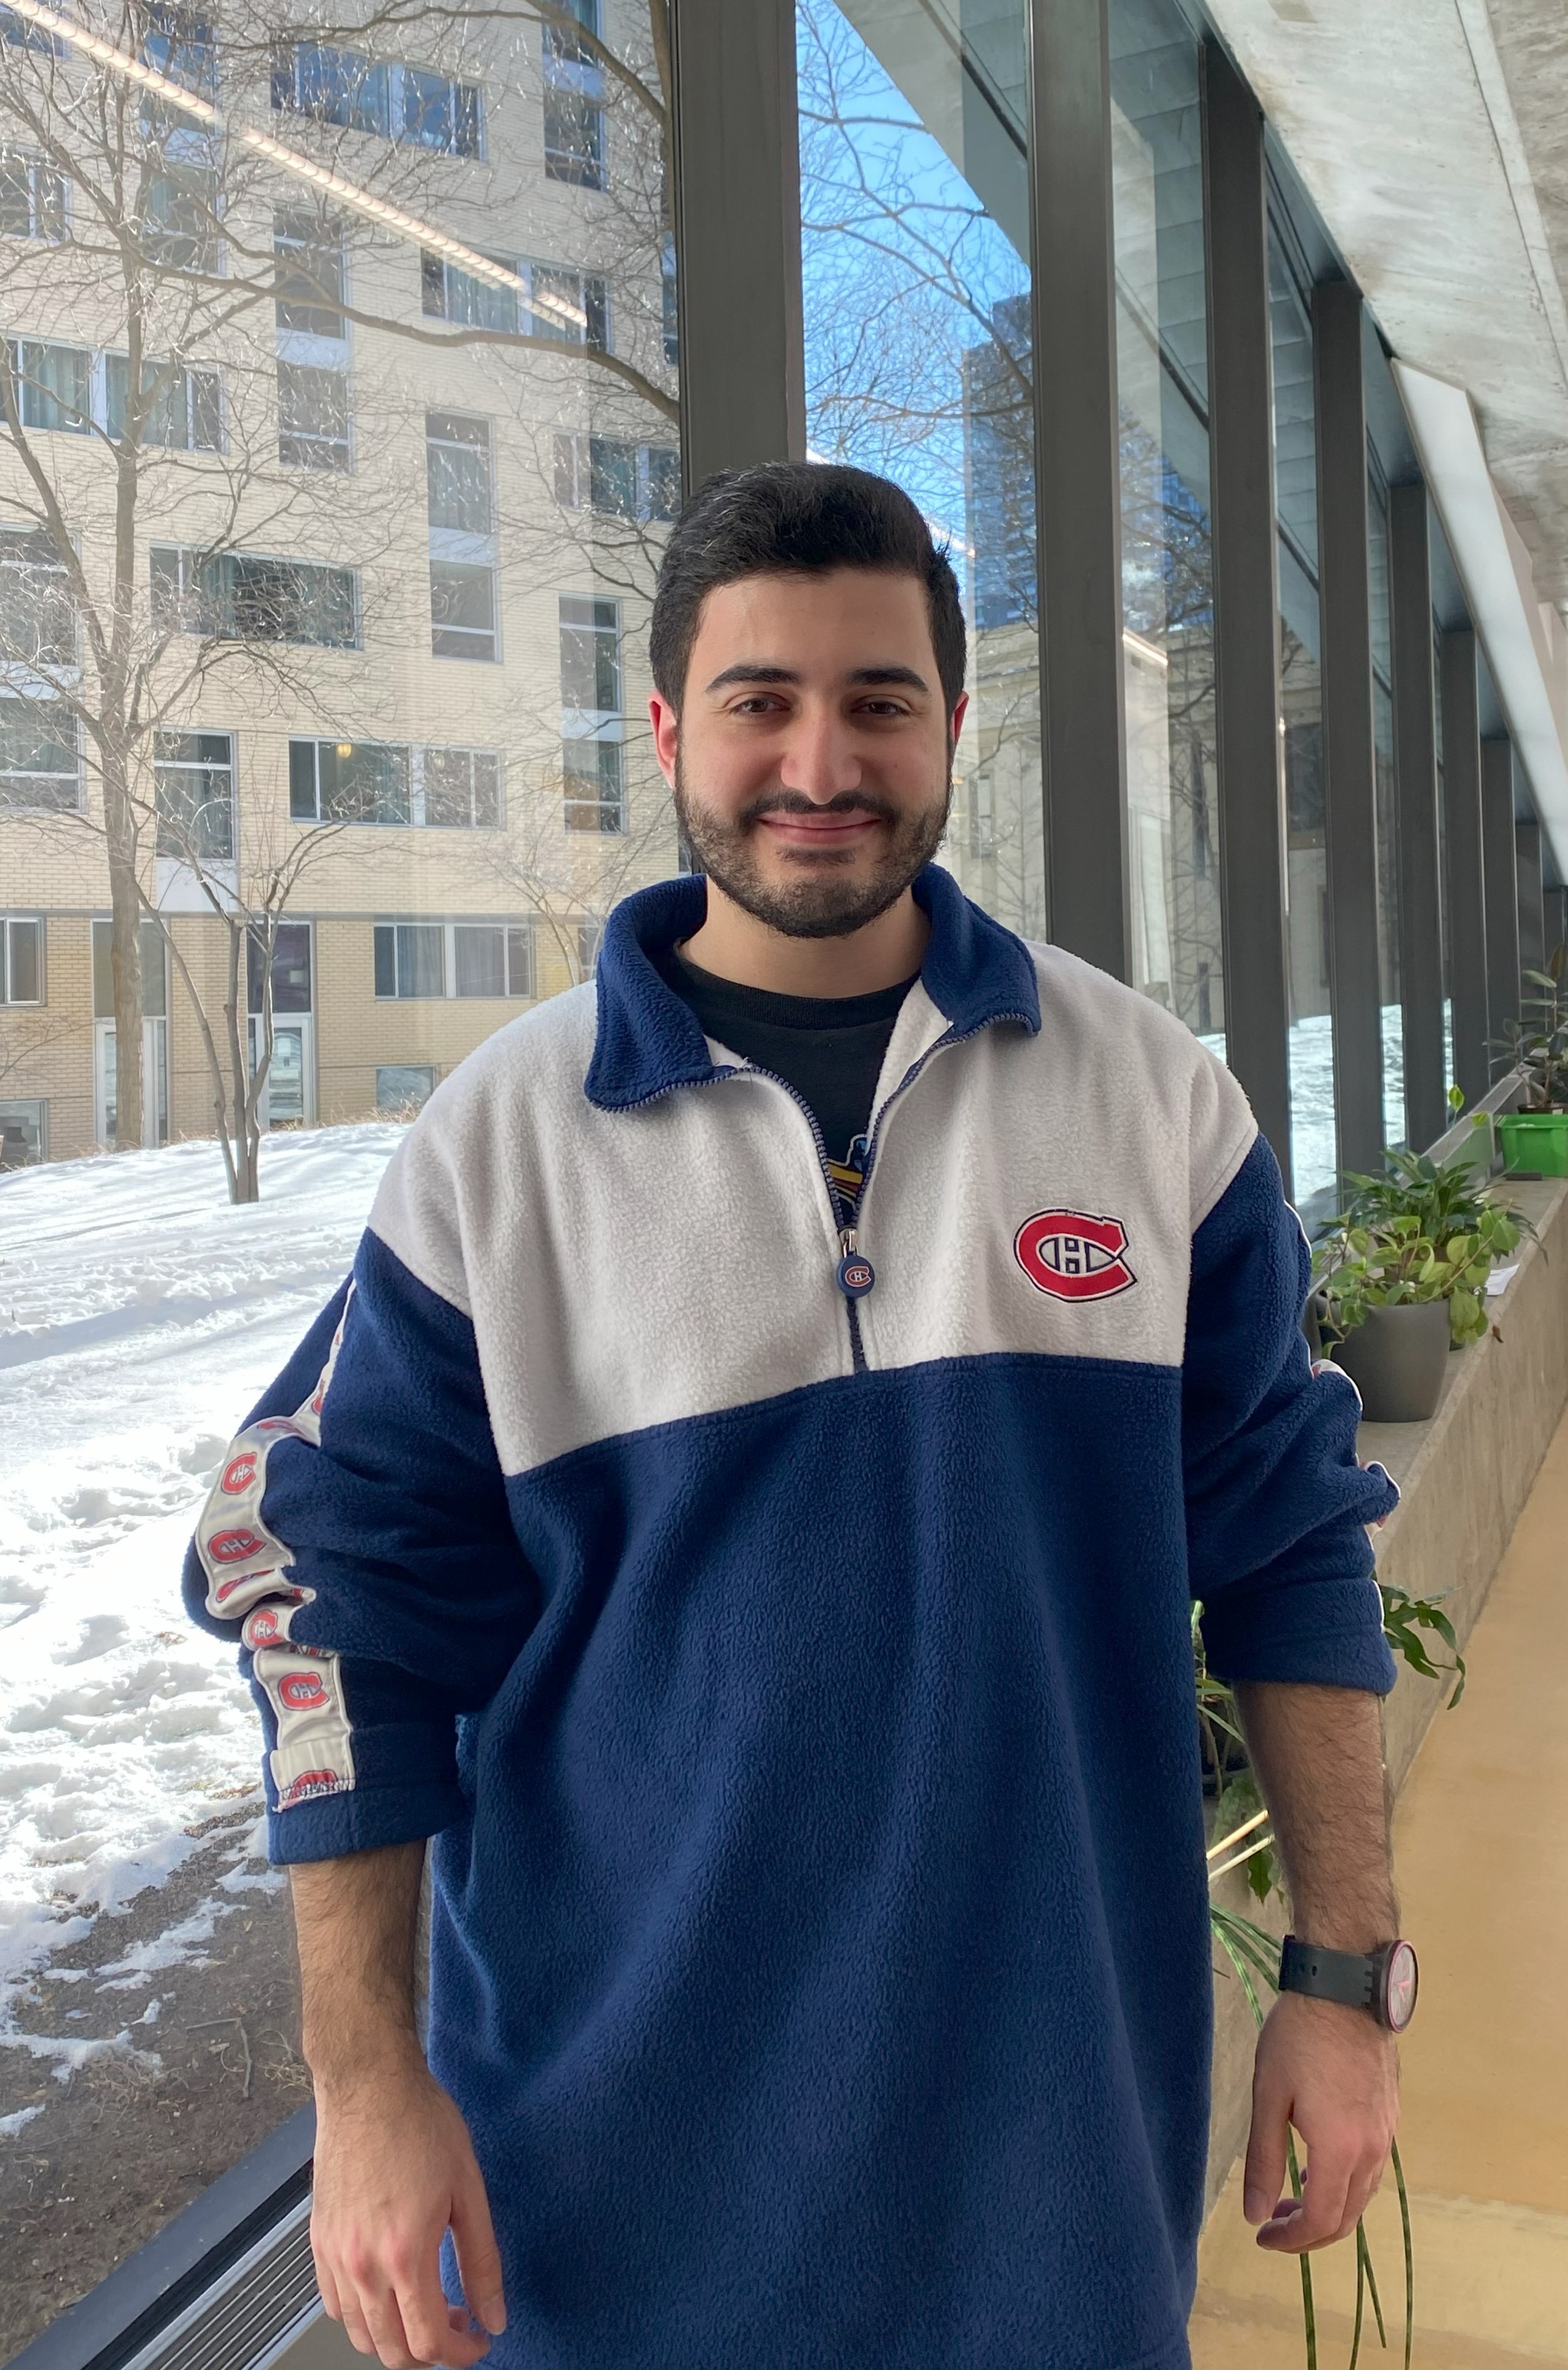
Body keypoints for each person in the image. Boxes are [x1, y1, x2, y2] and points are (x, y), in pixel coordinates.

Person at [186, 462, 1407, 2370]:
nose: (819, 763)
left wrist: (1341, 1974)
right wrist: (363, 2083)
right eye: (759, 700)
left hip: (1058, 2194)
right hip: (603, 2221)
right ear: (669, 729)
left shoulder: (1155, 1106)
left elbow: (1290, 1546)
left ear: (952, 724)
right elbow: (335, 1605)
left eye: (877, 700)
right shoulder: (497, 1152)